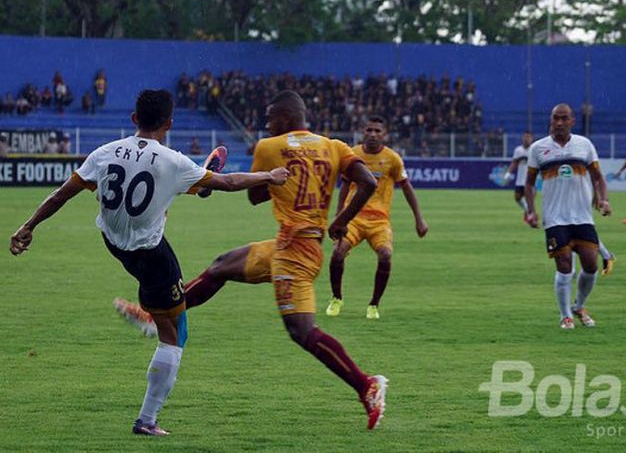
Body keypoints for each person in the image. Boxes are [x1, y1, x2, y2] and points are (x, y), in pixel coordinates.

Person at [9, 89, 289, 436]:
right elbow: (230, 181)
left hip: (114, 243)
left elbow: (60, 195)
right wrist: (269, 176)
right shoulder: (172, 161)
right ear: (169, 123)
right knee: (176, 334)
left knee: (151, 213)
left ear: (133, 119)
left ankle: (152, 314)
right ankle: (147, 419)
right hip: (152, 255)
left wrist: (28, 226)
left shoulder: (104, 152)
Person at [113, 90, 389, 430]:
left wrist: (266, 178)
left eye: (271, 118)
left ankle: (367, 386)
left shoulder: (270, 147)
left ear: (286, 118)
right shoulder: (334, 146)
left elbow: (256, 196)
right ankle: (156, 318)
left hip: (294, 254)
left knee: (302, 332)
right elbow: (366, 182)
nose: (267, 124)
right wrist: (341, 221)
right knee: (221, 267)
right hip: (297, 245)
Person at [326, 115, 428, 319]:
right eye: (369, 130)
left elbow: (407, 187)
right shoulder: (352, 154)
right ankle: (336, 298)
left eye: (377, 131)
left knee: (385, 255)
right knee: (337, 254)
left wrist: (419, 218)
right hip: (353, 218)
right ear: (363, 132)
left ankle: (374, 305)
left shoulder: (392, 159)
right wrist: (339, 216)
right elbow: (345, 185)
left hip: (379, 221)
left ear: (385, 135)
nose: (372, 134)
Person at [525, 103, 611, 330]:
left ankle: (579, 305)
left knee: (591, 265)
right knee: (564, 266)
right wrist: (531, 210)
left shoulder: (584, 145)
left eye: (564, 118)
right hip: (555, 219)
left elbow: (598, 177)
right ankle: (565, 316)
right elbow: (529, 183)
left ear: (572, 121)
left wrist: (604, 199)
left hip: (582, 217)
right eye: (556, 118)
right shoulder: (538, 148)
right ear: (551, 120)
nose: (559, 123)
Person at [504, 131, 533, 222]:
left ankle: (531, 216)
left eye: (528, 137)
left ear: (531, 139)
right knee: (517, 198)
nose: (526, 139)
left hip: (530, 180)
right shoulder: (518, 150)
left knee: (529, 199)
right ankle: (527, 211)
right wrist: (508, 173)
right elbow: (514, 162)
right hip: (520, 180)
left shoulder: (534, 149)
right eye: (525, 137)